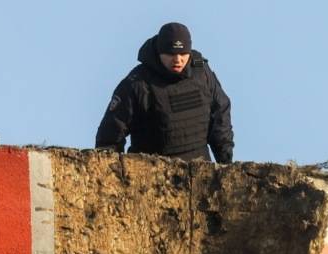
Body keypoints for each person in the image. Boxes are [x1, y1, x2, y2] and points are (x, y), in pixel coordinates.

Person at [95, 23, 234, 163]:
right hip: (152, 175)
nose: (178, 60)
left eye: (183, 53)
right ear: (160, 51)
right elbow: (110, 135)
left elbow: (221, 113)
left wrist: (225, 160)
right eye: (171, 54)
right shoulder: (138, 83)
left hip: (200, 171)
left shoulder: (202, 72)